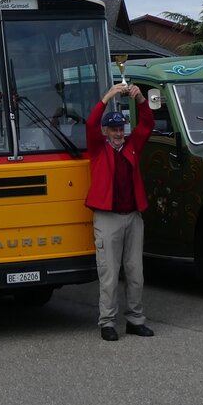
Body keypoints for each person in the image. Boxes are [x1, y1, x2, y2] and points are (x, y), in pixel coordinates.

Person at [85, 82, 155, 341]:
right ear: (106, 131)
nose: (118, 133)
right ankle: (107, 322)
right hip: (107, 217)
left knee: (136, 273)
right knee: (109, 274)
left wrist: (141, 100)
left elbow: (147, 124)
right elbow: (90, 124)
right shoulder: (98, 148)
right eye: (113, 129)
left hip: (132, 216)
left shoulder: (132, 145)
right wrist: (108, 97)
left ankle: (135, 320)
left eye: (121, 129)